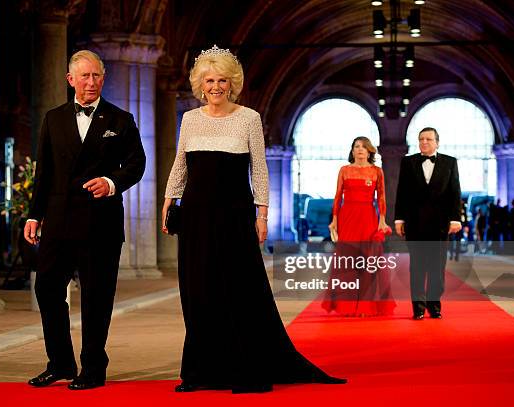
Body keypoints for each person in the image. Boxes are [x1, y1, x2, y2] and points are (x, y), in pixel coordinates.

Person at [162, 45, 346, 394]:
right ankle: (200, 372)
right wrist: (169, 200)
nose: (216, 86)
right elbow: (180, 164)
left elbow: (259, 169)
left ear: (232, 83)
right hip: (196, 213)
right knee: (198, 289)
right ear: (200, 84)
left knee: (240, 288)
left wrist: (263, 214)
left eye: (222, 80)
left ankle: (247, 367)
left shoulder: (248, 118)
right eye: (209, 80)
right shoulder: (190, 119)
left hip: (234, 212)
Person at [24, 50, 146, 390]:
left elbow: (137, 164)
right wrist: (34, 215)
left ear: (103, 79)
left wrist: (111, 183)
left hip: (101, 223)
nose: (91, 82)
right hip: (59, 221)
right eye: (84, 76)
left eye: (96, 76)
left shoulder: (121, 119)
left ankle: (93, 367)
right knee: (47, 289)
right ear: (71, 80)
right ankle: (60, 362)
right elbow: (44, 172)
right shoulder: (54, 118)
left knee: (96, 296)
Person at [322, 137, 395, 317]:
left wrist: (382, 221)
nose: (360, 149)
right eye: (357, 146)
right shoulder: (344, 171)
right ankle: (345, 306)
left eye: (364, 147)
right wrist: (334, 221)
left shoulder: (377, 172)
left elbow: (382, 198)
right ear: (352, 151)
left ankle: (366, 307)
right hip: (348, 218)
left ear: (370, 151)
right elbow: (338, 197)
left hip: (369, 218)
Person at [395, 127, 461, 320]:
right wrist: (399, 219)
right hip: (414, 224)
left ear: (437, 142)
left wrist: (455, 218)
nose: (424, 142)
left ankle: (434, 305)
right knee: (417, 266)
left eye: (429, 139)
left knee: (437, 267)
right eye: (421, 139)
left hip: (440, 224)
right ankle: (418, 307)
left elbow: (455, 192)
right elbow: (402, 193)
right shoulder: (408, 162)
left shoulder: (450, 162)